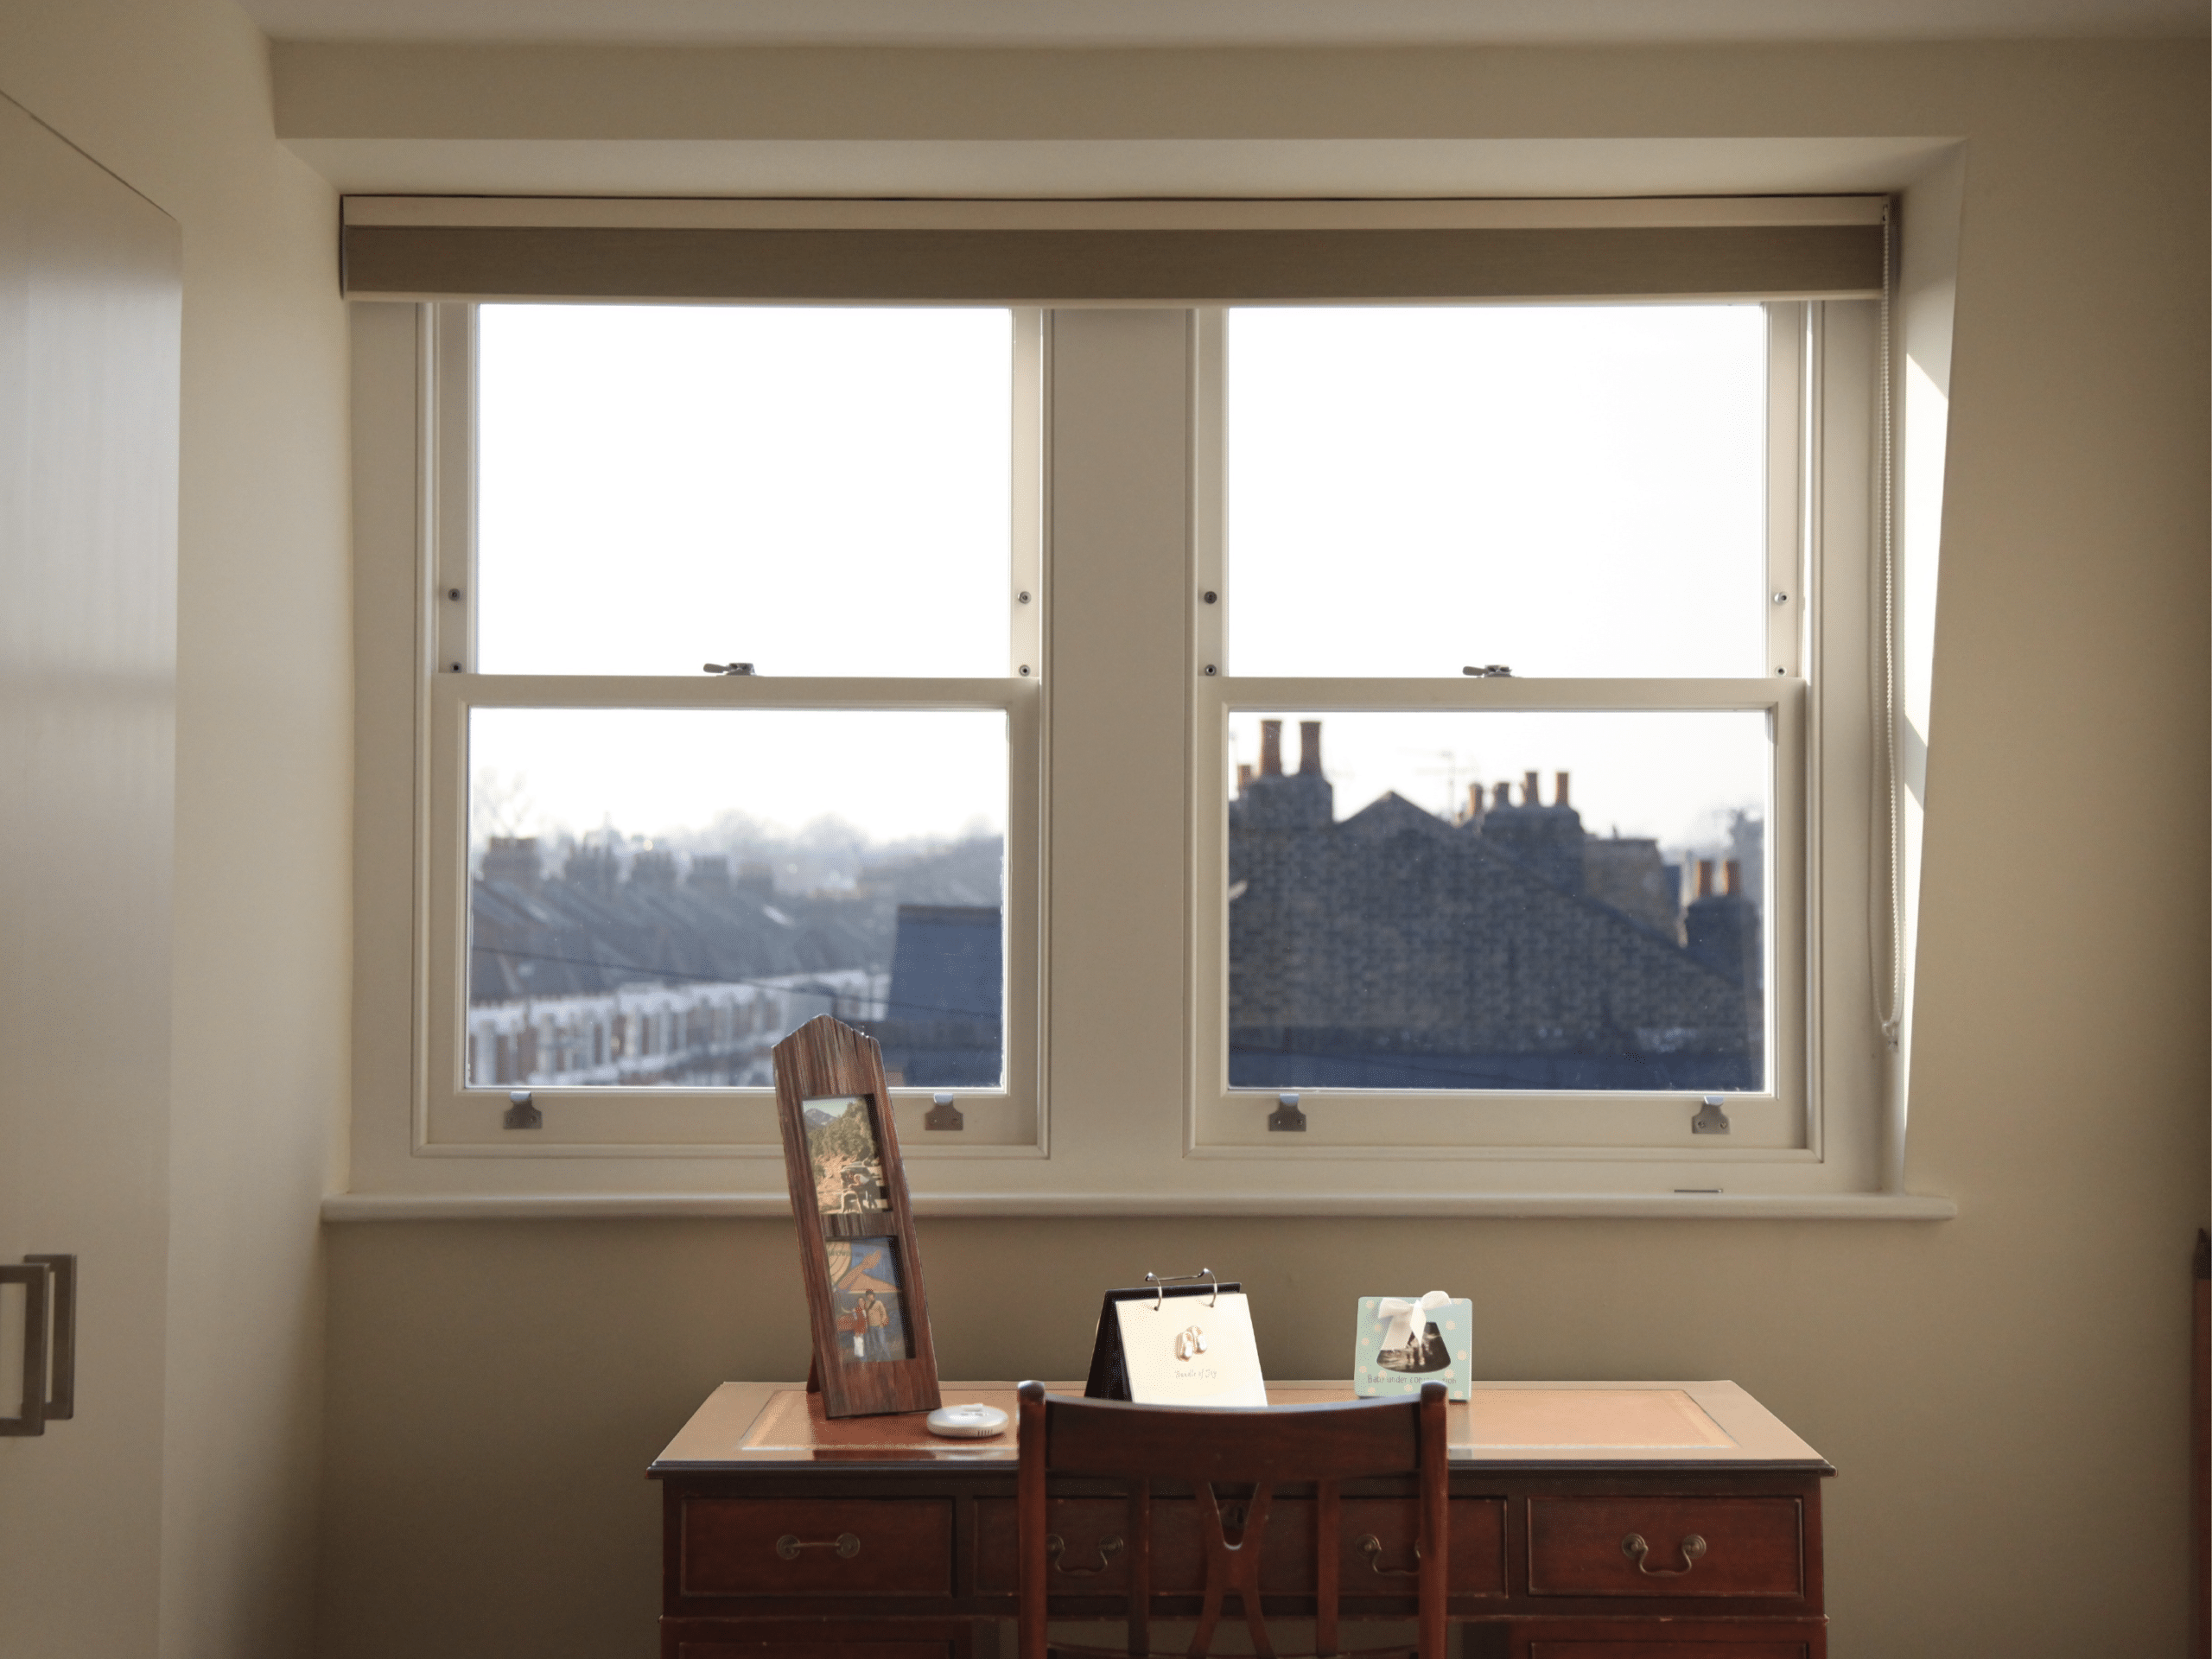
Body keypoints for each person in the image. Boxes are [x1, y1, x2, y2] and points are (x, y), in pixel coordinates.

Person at [861, 1289, 893, 1362]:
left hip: (879, 1327)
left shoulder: (879, 1303)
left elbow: (884, 1314)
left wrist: (881, 1323)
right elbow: (862, 1309)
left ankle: (888, 1358)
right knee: (875, 1344)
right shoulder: (867, 1304)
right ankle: (878, 1358)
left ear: (873, 1295)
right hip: (871, 1327)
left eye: (870, 1294)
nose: (869, 1296)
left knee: (882, 1342)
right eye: (867, 1295)